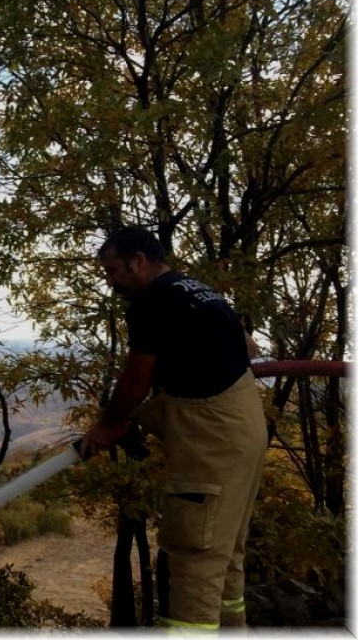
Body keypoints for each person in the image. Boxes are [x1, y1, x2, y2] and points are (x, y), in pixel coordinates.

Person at [80, 225, 265, 630]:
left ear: (139, 261)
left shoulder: (151, 302)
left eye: (113, 271)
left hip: (210, 448)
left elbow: (135, 379)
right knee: (225, 551)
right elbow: (248, 348)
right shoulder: (201, 292)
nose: (111, 282)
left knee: (194, 556)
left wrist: (109, 424)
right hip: (246, 433)